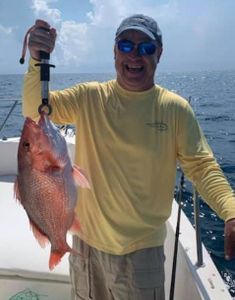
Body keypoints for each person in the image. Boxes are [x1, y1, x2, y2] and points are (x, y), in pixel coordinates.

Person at [22, 14, 235, 300]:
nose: (134, 55)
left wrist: (231, 212)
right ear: (114, 50)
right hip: (85, 247)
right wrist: (37, 60)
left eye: (146, 47)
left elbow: (202, 167)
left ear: (159, 53)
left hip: (140, 255)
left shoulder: (175, 109)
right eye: (126, 45)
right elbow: (36, 109)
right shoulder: (90, 97)